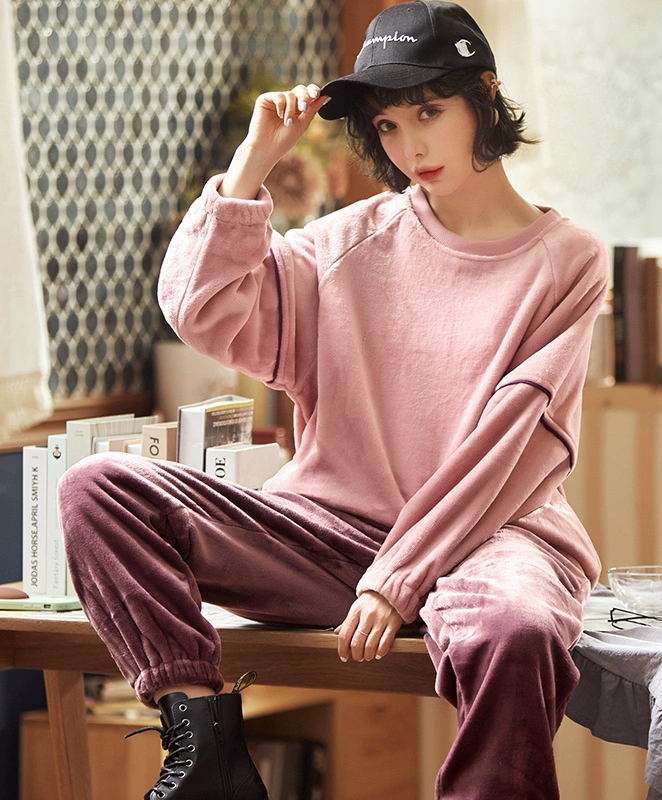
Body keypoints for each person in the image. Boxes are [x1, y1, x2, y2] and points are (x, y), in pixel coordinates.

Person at [58, 2, 609, 798]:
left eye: (429, 112)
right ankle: (207, 749)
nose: (411, 147)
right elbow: (200, 309)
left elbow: (512, 447)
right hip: (329, 537)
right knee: (96, 488)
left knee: (518, 629)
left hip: (490, 534)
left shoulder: (567, 262)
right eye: (388, 125)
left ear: (485, 94)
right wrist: (251, 167)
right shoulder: (345, 243)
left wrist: (398, 577)